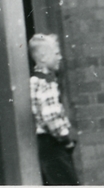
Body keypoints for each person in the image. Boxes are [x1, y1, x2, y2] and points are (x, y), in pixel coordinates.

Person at [29, 32, 80, 185]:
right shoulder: (47, 83)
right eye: (56, 53)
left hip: (44, 145)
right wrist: (66, 138)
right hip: (54, 144)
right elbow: (51, 116)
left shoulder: (34, 80)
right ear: (43, 57)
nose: (60, 57)